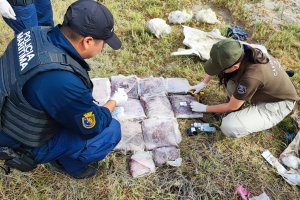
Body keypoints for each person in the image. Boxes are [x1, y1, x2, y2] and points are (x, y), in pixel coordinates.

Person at [0, 0, 126, 179]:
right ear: (88, 41)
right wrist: (114, 102)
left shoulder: (35, 33)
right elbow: (92, 125)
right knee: (110, 130)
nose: (103, 47)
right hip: (16, 138)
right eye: (103, 43)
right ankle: (71, 165)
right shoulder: (62, 81)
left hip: (8, 112)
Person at [189, 39, 299, 138]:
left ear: (235, 66)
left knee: (228, 126)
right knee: (228, 77)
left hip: (279, 103)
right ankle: (244, 105)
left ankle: (246, 122)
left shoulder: (251, 77)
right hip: (266, 88)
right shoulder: (239, 50)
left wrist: (204, 108)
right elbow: (217, 66)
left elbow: (232, 106)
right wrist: (203, 83)